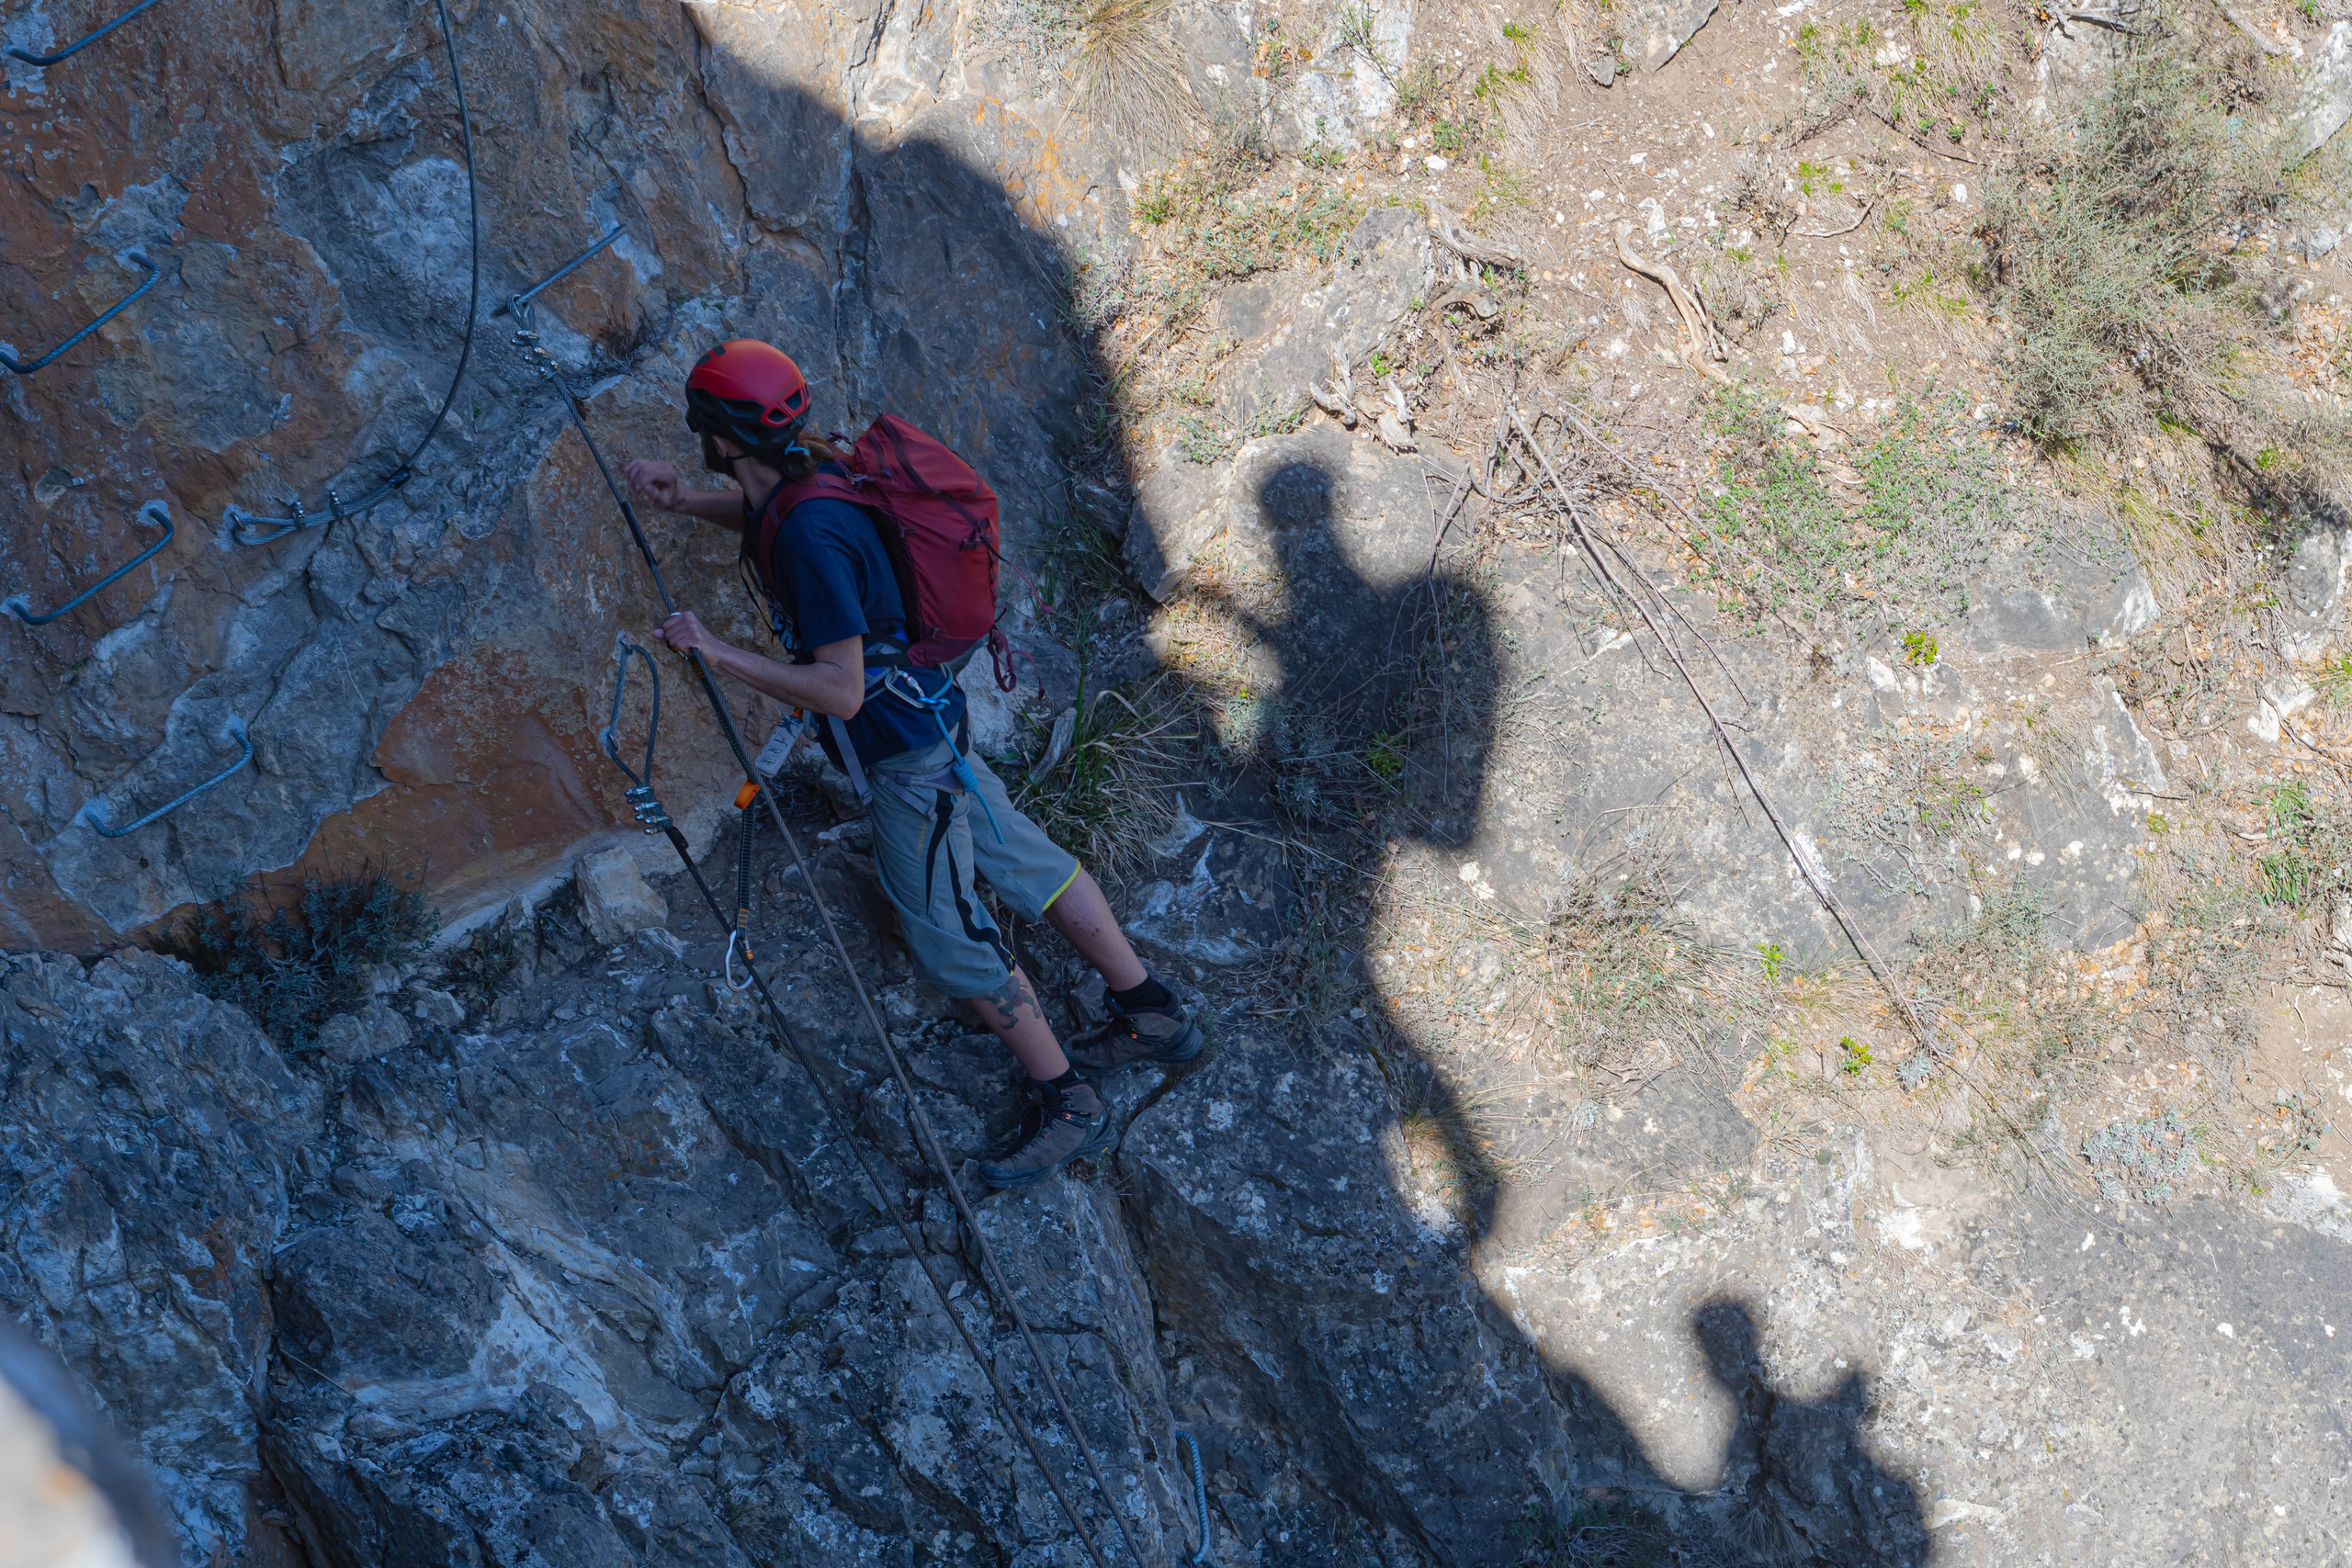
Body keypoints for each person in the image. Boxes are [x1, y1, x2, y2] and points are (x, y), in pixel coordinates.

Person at [623, 339, 1199, 1189]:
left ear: (716, 435)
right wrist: (684, 507)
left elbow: (842, 690)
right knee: (1023, 858)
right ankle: (1151, 1011)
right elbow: (769, 519)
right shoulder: (805, 483)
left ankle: (1069, 1100)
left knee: (945, 931)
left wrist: (717, 651)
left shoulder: (811, 531)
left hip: (903, 755)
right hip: (936, 720)